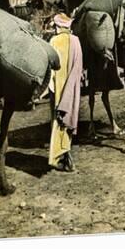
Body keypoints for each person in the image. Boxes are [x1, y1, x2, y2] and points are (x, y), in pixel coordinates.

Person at [48, 13, 83, 172]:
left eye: (55, 26)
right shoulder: (76, 41)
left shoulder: (54, 41)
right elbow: (79, 66)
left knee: (58, 118)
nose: (54, 29)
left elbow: (51, 68)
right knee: (68, 115)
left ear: (60, 26)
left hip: (58, 86)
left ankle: (58, 156)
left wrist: (50, 86)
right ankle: (65, 153)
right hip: (72, 86)